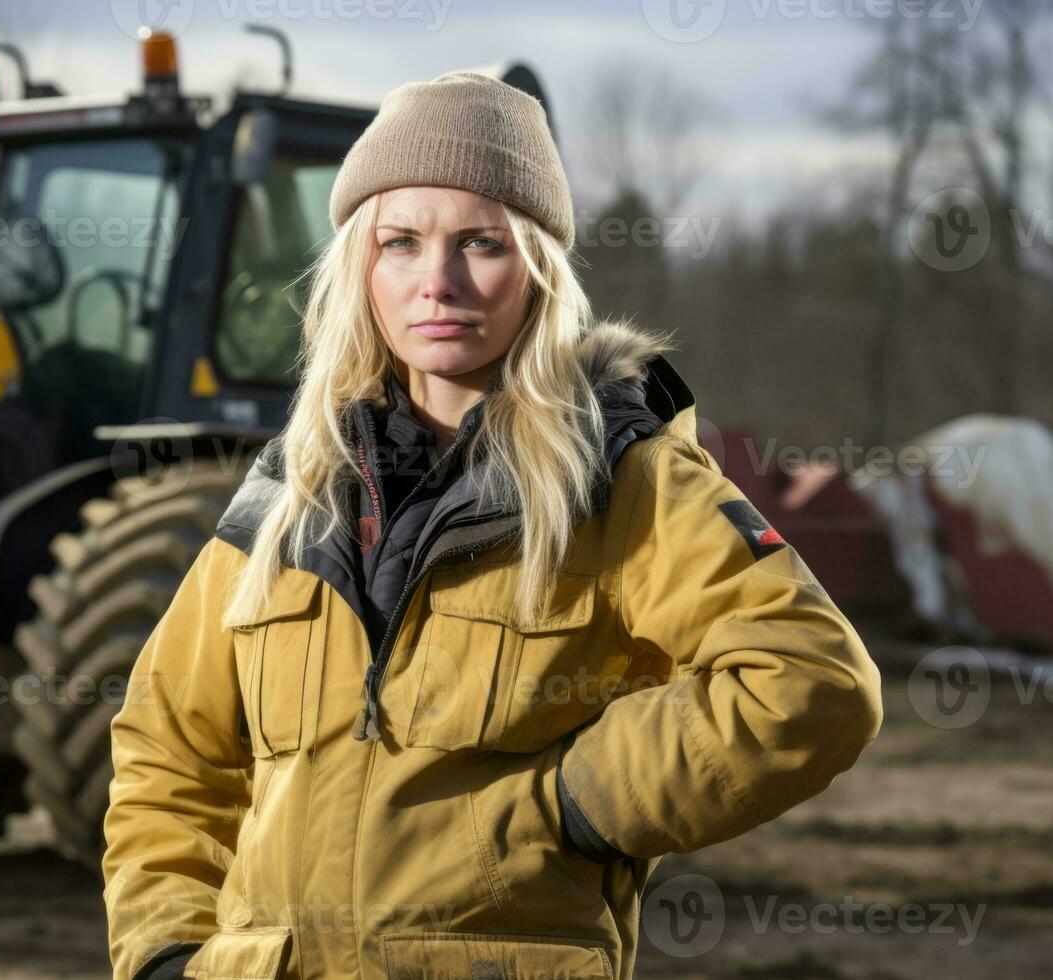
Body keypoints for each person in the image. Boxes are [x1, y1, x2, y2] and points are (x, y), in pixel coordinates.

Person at [102, 71, 884, 980]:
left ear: (539, 269)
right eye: (400, 243)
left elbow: (810, 683)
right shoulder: (289, 495)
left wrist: (567, 809)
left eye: (481, 243)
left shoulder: (622, 479)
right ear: (361, 264)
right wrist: (165, 953)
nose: (437, 282)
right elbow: (168, 746)